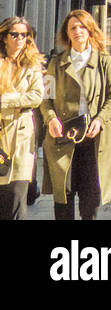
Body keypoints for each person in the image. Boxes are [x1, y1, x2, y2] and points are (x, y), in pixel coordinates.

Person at [41, 9, 111, 221]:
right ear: (67, 34)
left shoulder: (103, 60)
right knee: (63, 197)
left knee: (90, 200)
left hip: (93, 138)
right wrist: (51, 118)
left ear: (90, 30)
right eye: (72, 28)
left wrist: (100, 119)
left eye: (82, 27)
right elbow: (45, 98)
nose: (78, 31)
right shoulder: (56, 63)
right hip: (63, 138)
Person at [0, 15, 43, 219]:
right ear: (4, 37)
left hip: (21, 138)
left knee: (17, 198)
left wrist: (7, 100)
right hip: (1, 135)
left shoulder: (32, 65)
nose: (19, 38)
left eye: (24, 35)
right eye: (14, 34)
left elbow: (36, 96)